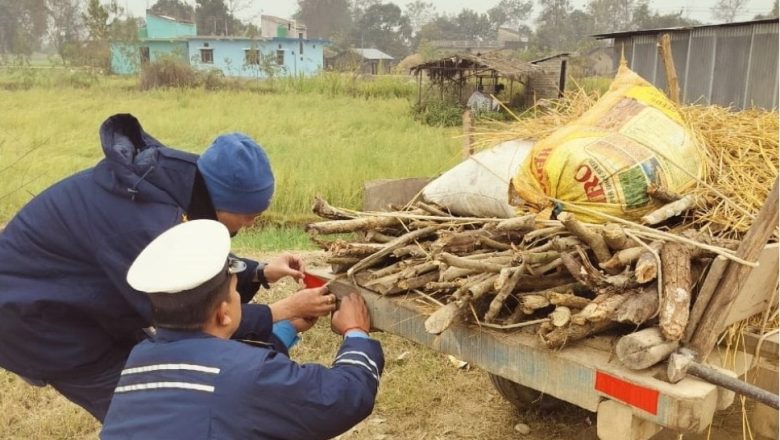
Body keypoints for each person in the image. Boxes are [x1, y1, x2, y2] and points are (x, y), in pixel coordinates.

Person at [0, 113, 333, 421]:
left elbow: (194, 262)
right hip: (38, 320)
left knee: (170, 383)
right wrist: (281, 311)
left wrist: (259, 271)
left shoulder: (180, 185)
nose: (250, 225)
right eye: (249, 216)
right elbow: (190, 315)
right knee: (148, 414)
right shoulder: (146, 222)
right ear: (222, 203)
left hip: (85, 298)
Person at [100, 220, 384, 439]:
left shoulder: (139, 358)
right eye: (236, 292)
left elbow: (225, 375)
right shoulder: (249, 375)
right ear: (223, 313)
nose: (239, 298)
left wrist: (286, 329)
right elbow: (342, 398)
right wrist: (355, 332)